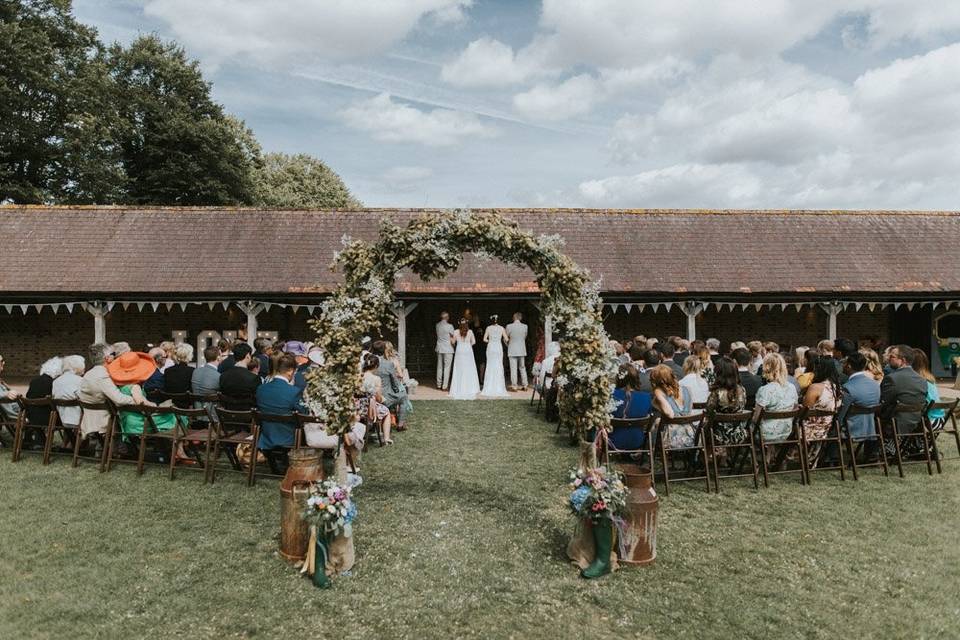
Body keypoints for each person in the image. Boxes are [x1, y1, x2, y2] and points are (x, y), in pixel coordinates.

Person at [255, 354, 307, 473]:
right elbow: (303, 413)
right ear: (290, 371)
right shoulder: (294, 391)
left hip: (266, 435)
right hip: (288, 436)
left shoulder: (261, 389)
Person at [78, 343, 139, 443]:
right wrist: (136, 399)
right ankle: (125, 447)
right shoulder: (103, 376)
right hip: (105, 420)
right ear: (107, 358)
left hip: (89, 418)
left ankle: (106, 447)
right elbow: (119, 400)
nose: (115, 356)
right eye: (113, 354)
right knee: (132, 415)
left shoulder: (88, 374)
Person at [107, 352, 177, 437]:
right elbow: (143, 405)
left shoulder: (119, 387)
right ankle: (177, 447)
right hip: (139, 425)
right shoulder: (134, 387)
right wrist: (158, 406)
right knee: (174, 417)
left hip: (127, 422)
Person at [880, 345, 927, 435]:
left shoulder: (891, 378)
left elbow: (883, 403)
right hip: (917, 425)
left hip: (894, 425)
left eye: (892, 357)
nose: (888, 359)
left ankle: (873, 449)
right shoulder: (922, 380)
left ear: (903, 360)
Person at [754, 353, 799, 441]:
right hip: (786, 432)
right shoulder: (792, 387)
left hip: (765, 434)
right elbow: (795, 408)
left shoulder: (765, 390)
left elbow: (756, 418)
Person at [608, 363, 653, 451]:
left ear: (618, 378)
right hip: (638, 441)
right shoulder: (646, 397)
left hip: (614, 440)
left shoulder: (611, 396)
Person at [838, 352, 881, 440]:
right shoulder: (875, 384)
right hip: (871, 430)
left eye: (844, 363)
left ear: (849, 366)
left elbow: (840, 416)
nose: (842, 365)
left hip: (851, 430)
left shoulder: (847, 387)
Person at [705, 357, 748, 446]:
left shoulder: (717, 393)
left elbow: (709, 410)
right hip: (738, 434)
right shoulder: (742, 390)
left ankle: (711, 455)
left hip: (718, 435)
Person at [650, 365, 694, 449]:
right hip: (691, 435)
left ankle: (650, 451)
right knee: (657, 421)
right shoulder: (687, 389)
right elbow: (689, 410)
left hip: (672, 438)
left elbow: (670, 414)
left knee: (656, 422)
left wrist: (658, 396)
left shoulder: (659, 392)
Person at [23, 357, 63, 449]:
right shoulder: (54, 383)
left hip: (32, 418)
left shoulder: (34, 382)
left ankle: (39, 441)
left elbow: (28, 398)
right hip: (50, 420)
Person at [802, 355, 843, 444]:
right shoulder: (838, 389)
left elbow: (803, 412)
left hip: (808, 433)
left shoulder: (815, 388)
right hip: (825, 433)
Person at [372, 340, 410, 427]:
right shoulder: (388, 364)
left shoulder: (369, 362)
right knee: (404, 397)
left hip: (371, 395)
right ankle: (400, 424)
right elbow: (395, 382)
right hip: (384, 396)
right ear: (384, 349)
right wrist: (397, 390)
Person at [357, 354, 392, 444]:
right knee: (386, 411)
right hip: (369, 408)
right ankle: (387, 438)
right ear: (376, 366)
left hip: (356, 407)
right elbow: (378, 398)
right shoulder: (376, 379)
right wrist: (382, 400)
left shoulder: (358, 376)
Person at [219, 343, 261, 409]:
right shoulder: (254, 378)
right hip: (248, 415)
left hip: (227, 414)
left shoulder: (223, 376)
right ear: (247, 356)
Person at [52, 354, 85, 435]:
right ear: (78, 366)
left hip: (62, 418)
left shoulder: (56, 381)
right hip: (79, 419)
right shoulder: (80, 381)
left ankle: (71, 442)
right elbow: (86, 399)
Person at [448, 320, 481, 400]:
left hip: (459, 350)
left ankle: (459, 388)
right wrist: (467, 344)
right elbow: (473, 342)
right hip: (468, 350)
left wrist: (450, 337)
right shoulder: (470, 331)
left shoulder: (456, 331)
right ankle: (470, 387)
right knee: (469, 369)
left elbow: (453, 342)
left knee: (459, 369)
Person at [481, 315, 510, 398]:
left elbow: (484, 339)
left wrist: (491, 340)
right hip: (498, 347)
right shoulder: (501, 328)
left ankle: (489, 386)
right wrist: (499, 339)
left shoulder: (488, 328)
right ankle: (498, 386)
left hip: (491, 347)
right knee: (498, 365)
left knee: (490, 365)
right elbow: (507, 339)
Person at [191, 345, 221, 418]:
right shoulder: (218, 376)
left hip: (197, 414)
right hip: (212, 415)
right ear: (218, 357)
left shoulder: (195, 372)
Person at [162, 343, 194, 407]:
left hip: (171, 405)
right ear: (188, 355)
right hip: (187, 407)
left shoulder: (168, 371)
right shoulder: (192, 371)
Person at [506, 312, 529, 391]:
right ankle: (525, 385)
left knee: (513, 368)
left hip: (512, 349)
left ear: (514, 317)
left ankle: (514, 386)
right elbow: (524, 337)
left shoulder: (509, 326)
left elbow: (506, 338)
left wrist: (508, 345)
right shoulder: (525, 327)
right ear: (520, 318)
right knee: (522, 367)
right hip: (522, 349)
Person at [0, 354, 22, 425]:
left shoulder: (1, 382)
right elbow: (3, 396)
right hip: (17, 417)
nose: (4, 363)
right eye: (1, 361)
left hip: (19, 413)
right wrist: (7, 394)